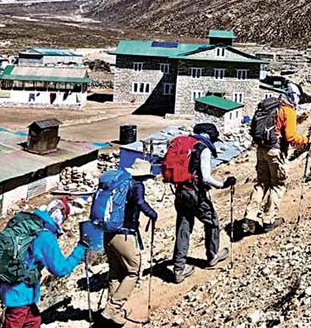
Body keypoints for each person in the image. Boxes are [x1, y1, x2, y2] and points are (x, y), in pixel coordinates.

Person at [0, 199, 86, 328]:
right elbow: (60, 269)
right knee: (17, 320)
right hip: (20, 291)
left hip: (11, 285)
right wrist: (80, 249)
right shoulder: (44, 236)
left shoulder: (28, 223)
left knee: (33, 321)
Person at [242, 83, 311, 236]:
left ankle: (249, 218)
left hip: (261, 149)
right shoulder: (288, 111)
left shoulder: (271, 106)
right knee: (277, 185)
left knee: (261, 183)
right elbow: (291, 137)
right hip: (275, 151)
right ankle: (268, 220)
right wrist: (307, 140)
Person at [172, 123, 236, 284]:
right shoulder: (203, 149)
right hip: (195, 192)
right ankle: (212, 256)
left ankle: (179, 268)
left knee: (183, 227)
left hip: (180, 190)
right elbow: (206, 177)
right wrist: (223, 184)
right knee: (212, 221)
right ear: (209, 136)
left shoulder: (184, 143)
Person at [101, 159, 158, 324]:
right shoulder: (136, 185)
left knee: (115, 271)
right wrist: (152, 214)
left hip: (108, 233)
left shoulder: (119, 183)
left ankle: (113, 313)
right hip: (124, 234)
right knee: (133, 271)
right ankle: (112, 309)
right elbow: (140, 202)